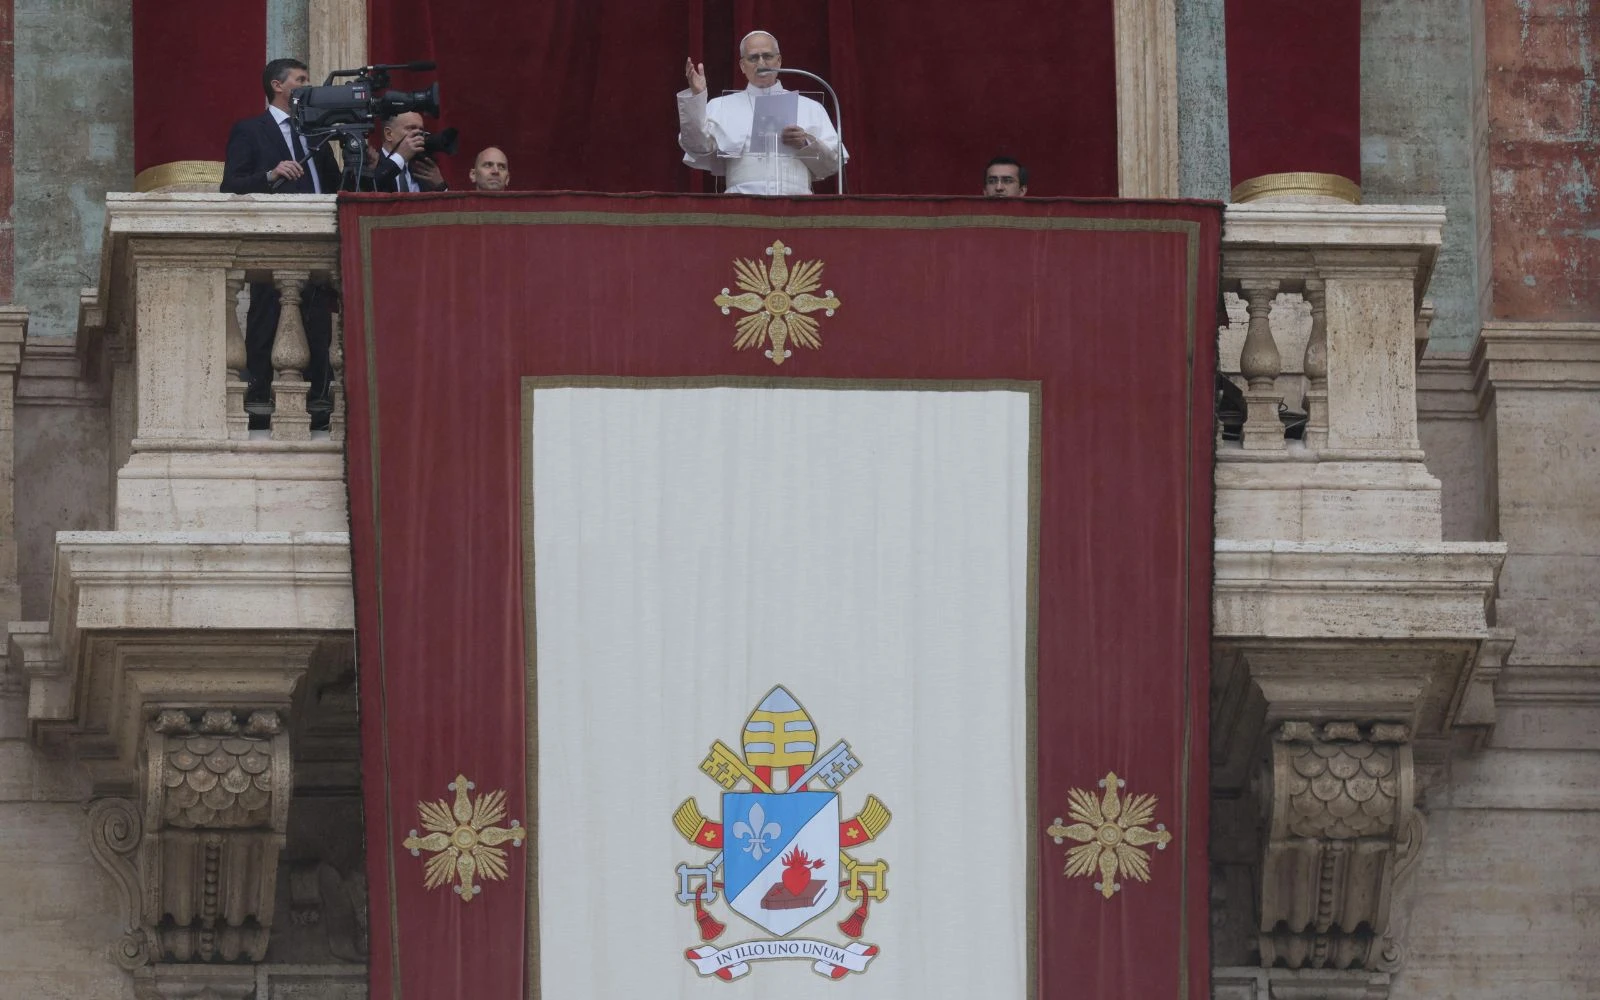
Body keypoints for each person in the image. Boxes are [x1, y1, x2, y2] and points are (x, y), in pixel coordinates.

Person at [220, 58, 340, 429]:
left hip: (322, 246)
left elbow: (336, 184)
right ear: (277, 85)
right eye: (300, 79)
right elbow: (231, 185)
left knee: (319, 328)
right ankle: (260, 399)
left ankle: (319, 400)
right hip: (274, 246)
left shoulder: (316, 134)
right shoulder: (250, 130)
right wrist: (271, 174)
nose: (306, 85)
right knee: (266, 322)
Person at [678, 31, 844, 195]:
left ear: (779, 61)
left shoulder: (810, 107)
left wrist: (806, 143)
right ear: (743, 66)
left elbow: (832, 164)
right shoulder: (721, 105)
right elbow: (697, 146)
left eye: (767, 56)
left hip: (797, 206)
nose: (761, 62)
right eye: (753, 58)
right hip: (741, 206)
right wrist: (697, 97)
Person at [374, 112, 448, 192]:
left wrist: (441, 186)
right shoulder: (370, 163)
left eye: (421, 130)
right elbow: (371, 187)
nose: (418, 134)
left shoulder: (423, 167)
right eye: (411, 128)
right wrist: (401, 157)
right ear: (389, 134)